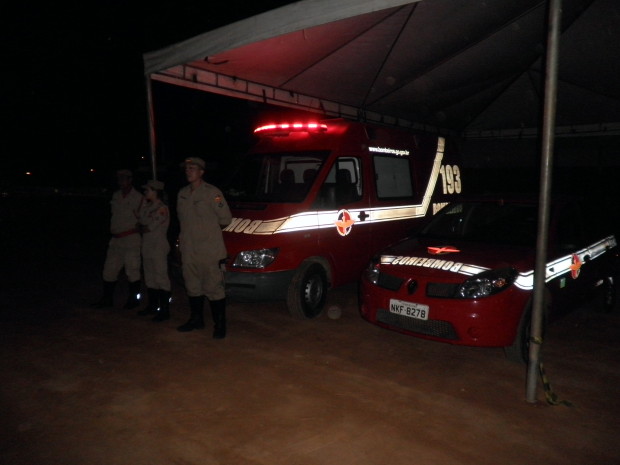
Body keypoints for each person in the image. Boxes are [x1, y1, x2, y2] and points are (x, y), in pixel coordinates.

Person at [176, 157, 232, 338]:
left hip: (209, 250)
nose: (188, 171)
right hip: (189, 249)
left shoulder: (212, 193)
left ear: (201, 172)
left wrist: (207, 233)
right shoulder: (182, 193)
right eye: (187, 169)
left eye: (192, 168)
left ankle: (220, 325)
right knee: (192, 286)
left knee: (214, 288)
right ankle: (196, 320)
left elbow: (225, 219)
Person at [92, 169, 143, 309]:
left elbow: (143, 217)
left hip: (131, 238)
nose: (120, 181)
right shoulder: (116, 195)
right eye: (119, 178)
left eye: (123, 178)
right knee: (109, 270)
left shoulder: (137, 197)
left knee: (132, 270)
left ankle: (133, 300)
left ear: (130, 180)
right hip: (116, 239)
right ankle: (107, 299)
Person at [137, 179, 172, 321]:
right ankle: (152, 306)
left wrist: (141, 228)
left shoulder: (162, 208)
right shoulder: (148, 206)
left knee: (161, 277)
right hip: (147, 245)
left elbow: (149, 227)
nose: (145, 192)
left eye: (148, 190)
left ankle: (164, 310)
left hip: (158, 246)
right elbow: (140, 221)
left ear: (155, 191)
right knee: (150, 277)